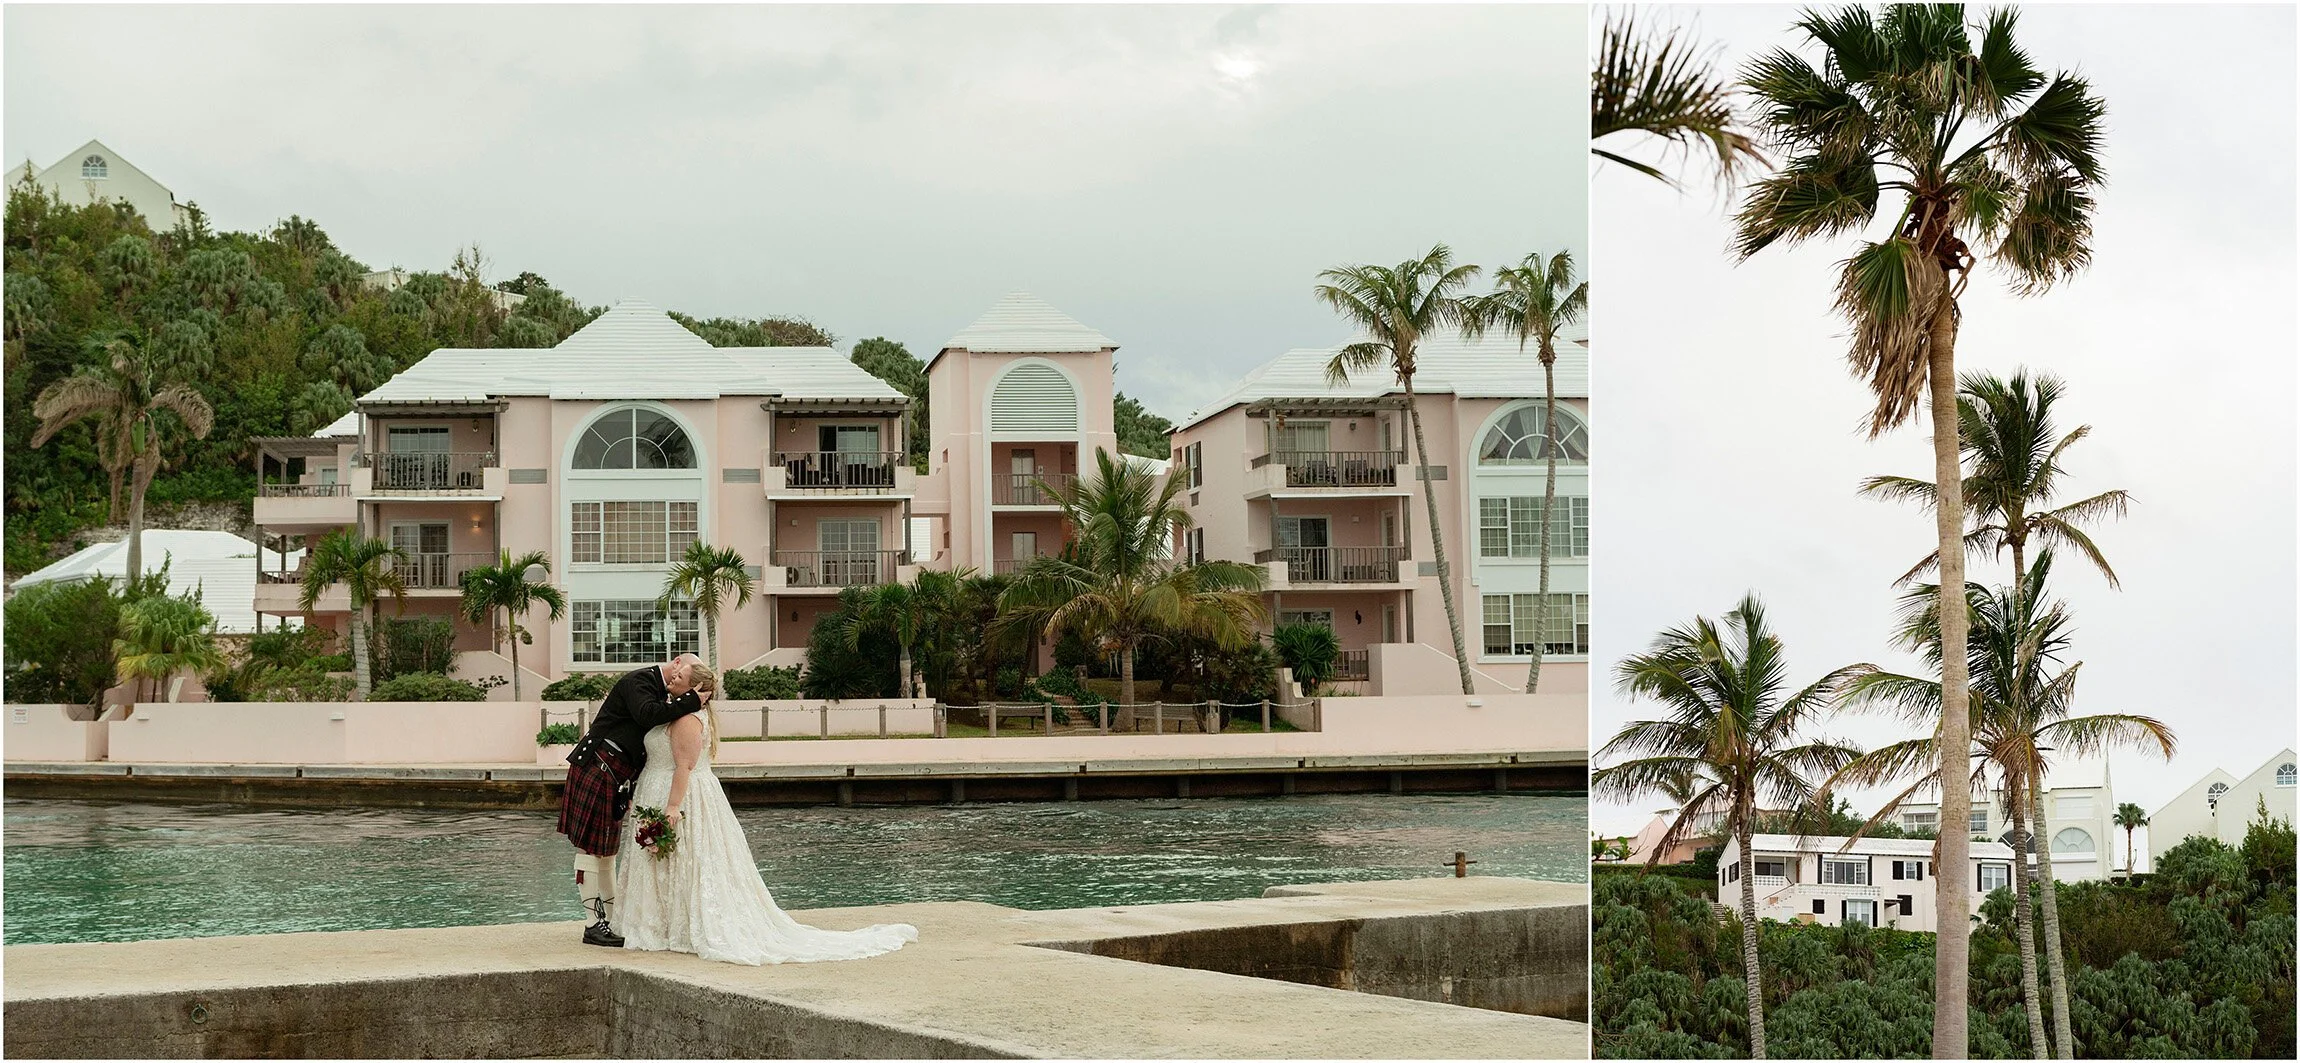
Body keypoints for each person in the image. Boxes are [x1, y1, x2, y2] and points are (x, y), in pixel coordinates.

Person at [614, 663, 918, 965]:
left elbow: (685, 766)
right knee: (667, 863)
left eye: (681, 676)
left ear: (697, 690)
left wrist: (672, 808)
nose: (674, 675)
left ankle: (676, 927)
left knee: (685, 860)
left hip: (680, 795)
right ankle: (661, 924)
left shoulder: (687, 721)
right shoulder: (673, 711)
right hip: (654, 789)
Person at [556, 652, 707, 947]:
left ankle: (612, 920)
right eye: (682, 674)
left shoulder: (659, 690)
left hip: (616, 772)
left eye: (686, 683)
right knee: (591, 847)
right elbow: (647, 715)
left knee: (608, 851)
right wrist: (690, 701)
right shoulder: (640, 680)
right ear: (676, 662)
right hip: (600, 766)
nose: (678, 680)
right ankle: (592, 925)